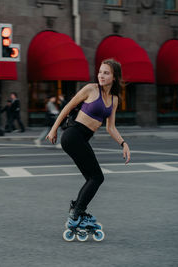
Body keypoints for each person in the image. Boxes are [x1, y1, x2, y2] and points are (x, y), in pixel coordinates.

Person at [46, 59, 131, 231]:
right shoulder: (91, 89)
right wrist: (53, 129)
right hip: (73, 135)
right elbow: (68, 107)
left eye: (106, 73)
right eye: (100, 72)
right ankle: (77, 213)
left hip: (82, 139)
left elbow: (110, 127)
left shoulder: (114, 100)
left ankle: (77, 210)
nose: (101, 75)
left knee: (92, 178)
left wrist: (123, 143)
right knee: (97, 177)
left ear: (114, 77)